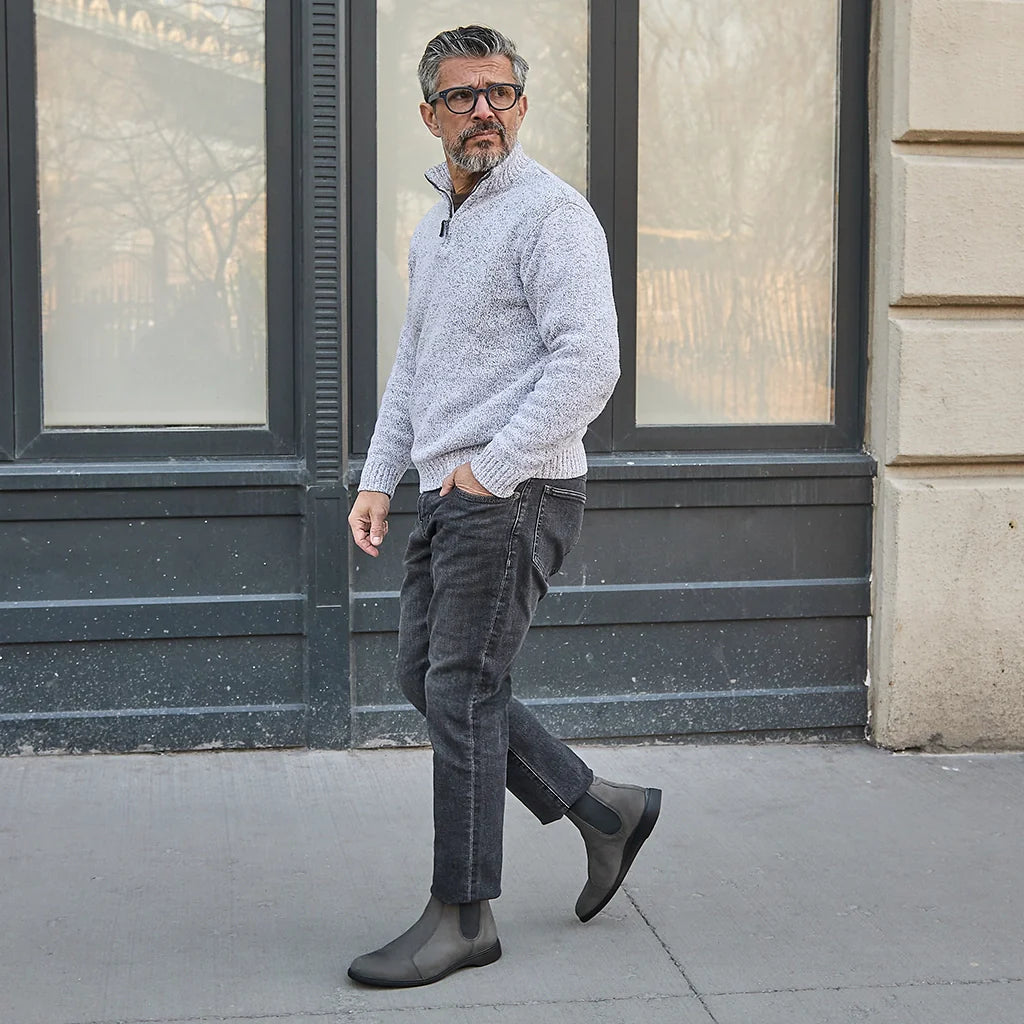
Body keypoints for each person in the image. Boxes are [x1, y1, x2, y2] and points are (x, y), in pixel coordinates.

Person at [346, 25, 661, 988]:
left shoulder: (551, 216)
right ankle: (602, 808)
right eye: (461, 94)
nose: (482, 108)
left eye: (499, 91)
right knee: (426, 676)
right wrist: (377, 475)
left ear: (521, 105)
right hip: (452, 490)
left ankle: (464, 915)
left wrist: (495, 466)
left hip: (514, 491)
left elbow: (589, 362)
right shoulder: (435, 223)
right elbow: (414, 368)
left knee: (463, 691)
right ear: (430, 113)